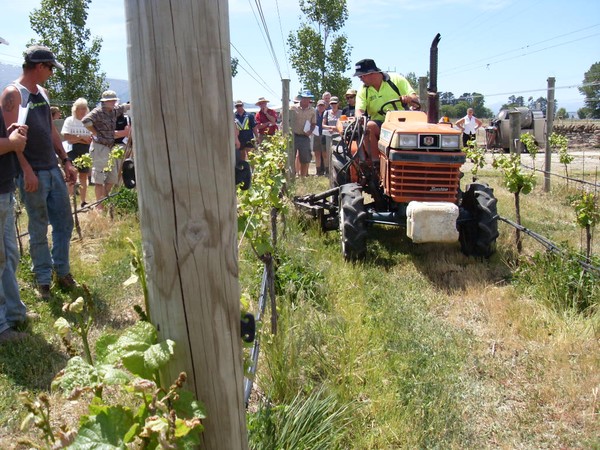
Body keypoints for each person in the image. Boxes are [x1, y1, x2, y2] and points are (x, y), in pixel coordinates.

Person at [0, 45, 78, 300]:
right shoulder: (14, 94)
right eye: (50, 68)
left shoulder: (42, 92)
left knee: (64, 222)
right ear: (40, 66)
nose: (51, 74)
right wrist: (26, 170)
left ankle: (62, 271)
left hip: (52, 168)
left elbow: (50, 130)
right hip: (32, 172)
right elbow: (12, 138)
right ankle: (43, 279)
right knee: (38, 226)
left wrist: (65, 159)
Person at [0, 115, 30, 342]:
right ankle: (1, 327)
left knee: (9, 255)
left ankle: (14, 314)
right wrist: (10, 142)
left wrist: (8, 133)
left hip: (4, 190)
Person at [354, 58, 420, 160]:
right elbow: (359, 110)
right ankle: (376, 164)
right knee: (368, 126)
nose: (360, 79)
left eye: (362, 76)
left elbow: (415, 100)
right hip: (380, 123)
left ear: (372, 73)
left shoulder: (396, 80)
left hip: (403, 122)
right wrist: (360, 117)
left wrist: (409, 98)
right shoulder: (363, 89)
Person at [81, 90, 130, 211]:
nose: (113, 102)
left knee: (112, 178)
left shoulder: (113, 111)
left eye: (114, 100)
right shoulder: (98, 112)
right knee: (99, 177)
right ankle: (99, 207)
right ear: (105, 102)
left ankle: (103, 202)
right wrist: (95, 133)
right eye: (111, 100)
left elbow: (124, 107)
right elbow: (86, 121)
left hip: (110, 147)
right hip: (100, 147)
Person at [62, 98, 93, 208]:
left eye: (84, 108)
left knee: (84, 175)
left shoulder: (88, 121)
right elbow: (67, 137)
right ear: (75, 109)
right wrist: (81, 138)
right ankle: (70, 201)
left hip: (85, 150)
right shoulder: (69, 120)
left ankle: (83, 201)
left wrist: (82, 139)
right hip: (72, 150)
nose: (83, 111)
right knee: (71, 175)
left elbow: (90, 138)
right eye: (80, 108)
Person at [290, 90, 316, 177]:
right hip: (293, 136)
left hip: (305, 137)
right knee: (291, 157)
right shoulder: (293, 108)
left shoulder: (312, 110)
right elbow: (285, 118)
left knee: (305, 159)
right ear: (301, 98)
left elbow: (313, 123)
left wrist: (310, 131)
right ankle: (291, 176)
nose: (306, 100)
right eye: (304, 98)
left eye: (308, 98)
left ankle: (303, 177)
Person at [313, 99, 328, 175]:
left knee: (325, 154)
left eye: (322, 105)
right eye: (319, 105)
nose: (321, 107)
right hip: (316, 135)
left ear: (325, 106)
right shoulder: (313, 113)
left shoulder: (327, 114)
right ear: (317, 106)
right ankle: (318, 172)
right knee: (317, 154)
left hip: (325, 136)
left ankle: (326, 171)